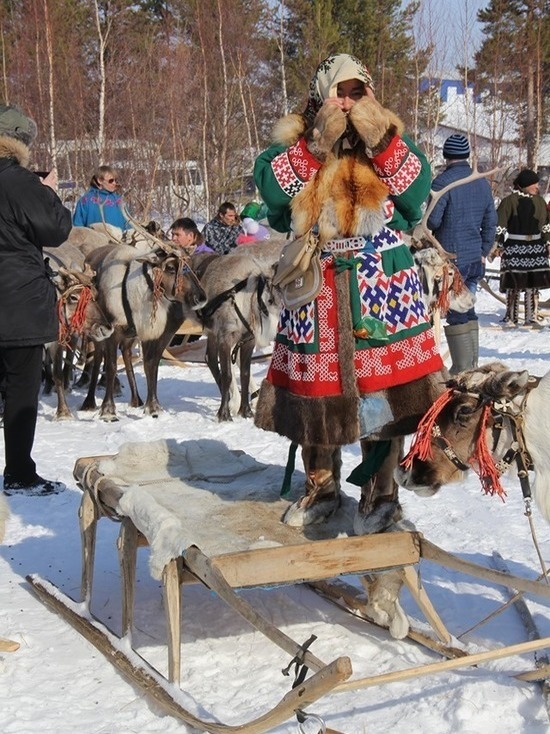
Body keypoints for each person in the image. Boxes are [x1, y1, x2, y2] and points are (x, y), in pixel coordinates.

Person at [252, 53, 445, 528]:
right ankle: (321, 486)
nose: (348, 100)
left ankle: (380, 493)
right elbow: (274, 197)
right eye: (340, 91)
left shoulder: (390, 141)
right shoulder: (294, 144)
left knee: (382, 390)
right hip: (316, 281)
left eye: (357, 91)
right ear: (321, 96)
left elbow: (415, 192)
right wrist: (317, 144)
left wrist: (380, 136)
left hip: (380, 281)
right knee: (316, 389)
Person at [0, 103, 72, 496]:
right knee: (21, 389)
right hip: (16, 304)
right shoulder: (19, 182)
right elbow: (57, 229)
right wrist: (48, 194)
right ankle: (19, 472)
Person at [427, 134, 497, 373]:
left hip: (451, 260)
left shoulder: (442, 183)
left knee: (457, 313)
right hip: (474, 258)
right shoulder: (481, 184)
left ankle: (463, 370)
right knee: (468, 310)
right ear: (466, 155)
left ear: (446, 155)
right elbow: (491, 221)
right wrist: (484, 250)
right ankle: (472, 366)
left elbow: (433, 221)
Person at [495, 169, 550, 327]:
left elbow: (546, 226)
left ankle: (531, 317)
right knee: (514, 283)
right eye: (533, 184)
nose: (536, 187)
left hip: (536, 247)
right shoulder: (509, 201)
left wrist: (547, 243)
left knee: (533, 283)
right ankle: (511, 317)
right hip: (515, 246)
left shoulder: (540, 202)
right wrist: (497, 244)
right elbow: (500, 225)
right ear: (524, 185)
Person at [73, 164, 130, 232]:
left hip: (119, 241)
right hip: (94, 241)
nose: (114, 183)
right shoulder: (85, 201)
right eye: (111, 180)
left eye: (116, 180)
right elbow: (78, 227)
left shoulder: (120, 201)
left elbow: (129, 224)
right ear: (100, 180)